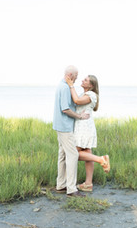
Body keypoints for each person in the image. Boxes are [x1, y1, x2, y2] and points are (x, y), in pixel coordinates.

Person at [65, 74, 110, 192]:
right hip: (84, 126)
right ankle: (88, 184)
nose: (82, 80)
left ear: (91, 85)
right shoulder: (85, 94)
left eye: (85, 80)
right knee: (87, 153)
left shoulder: (91, 94)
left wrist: (70, 85)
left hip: (84, 128)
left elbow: (77, 101)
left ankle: (101, 159)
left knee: (72, 153)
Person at [53, 65, 89, 197]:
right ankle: (71, 189)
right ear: (70, 76)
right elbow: (65, 109)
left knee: (62, 156)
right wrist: (80, 116)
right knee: (73, 155)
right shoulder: (64, 87)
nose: (77, 79)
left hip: (60, 126)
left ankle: (61, 185)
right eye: (76, 76)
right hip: (65, 127)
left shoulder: (63, 85)